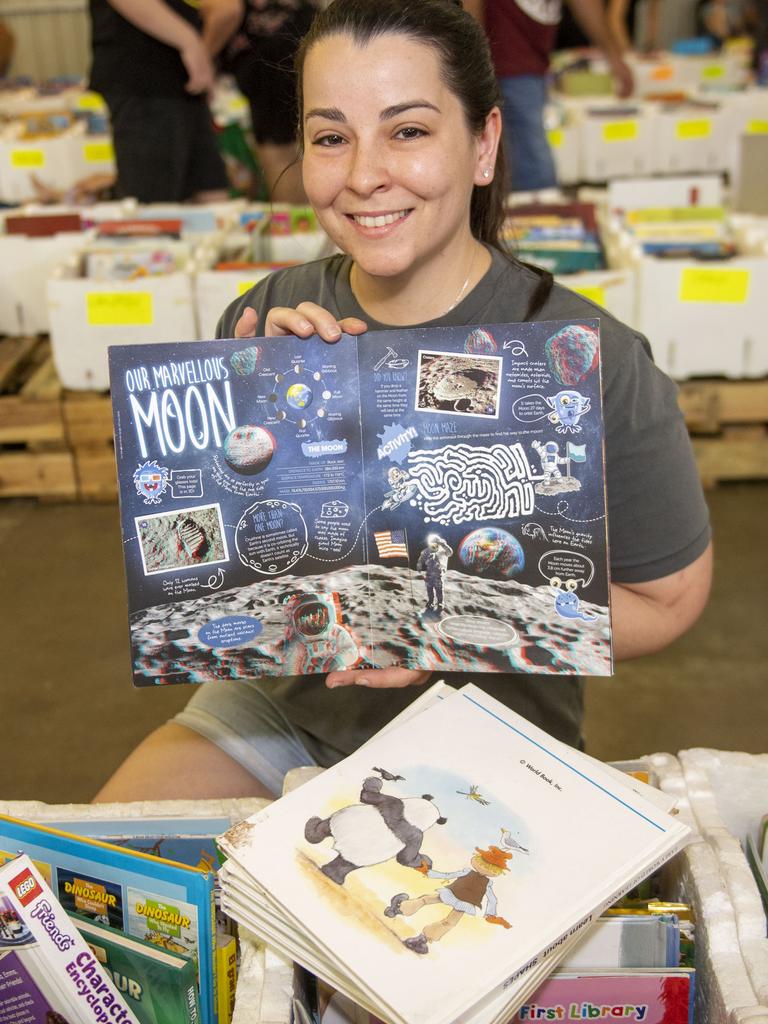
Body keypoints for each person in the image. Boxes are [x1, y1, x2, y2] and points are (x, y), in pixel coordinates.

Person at [94, 0, 712, 805]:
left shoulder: (584, 355)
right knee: (88, 882)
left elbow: (670, 600)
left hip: (494, 731)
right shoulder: (271, 310)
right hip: (283, 706)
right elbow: (219, 563)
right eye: (330, 136)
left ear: (484, 144)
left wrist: (443, 620)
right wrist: (248, 415)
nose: (362, 174)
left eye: (408, 130)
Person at [479, 0, 634, 191]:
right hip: (507, 69)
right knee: (535, 178)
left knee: (523, 173)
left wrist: (614, 56)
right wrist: (473, 64)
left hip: (531, 66)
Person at [88, 0, 230, 203]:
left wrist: (199, 50)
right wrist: (190, 42)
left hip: (177, 80)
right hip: (145, 80)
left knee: (210, 193)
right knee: (151, 208)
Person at [201, 0, 315, 202]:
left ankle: (293, 228)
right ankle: (307, 224)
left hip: (270, 56)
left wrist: (200, 57)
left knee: (278, 152)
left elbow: (227, 11)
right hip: (303, 36)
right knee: (305, 145)